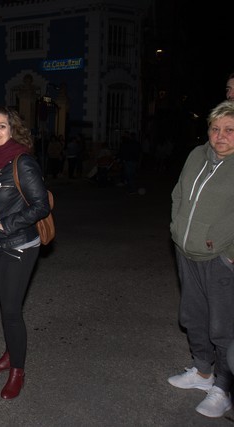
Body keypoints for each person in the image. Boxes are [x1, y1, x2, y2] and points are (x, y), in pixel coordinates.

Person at [167, 100, 234, 419]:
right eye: (215, 128)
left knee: (222, 326)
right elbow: (178, 193)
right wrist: (176, 228)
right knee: (192, 315)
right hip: (186, 251)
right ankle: (202, 371)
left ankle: (223, 388)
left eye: (230, 130)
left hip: (220, 259)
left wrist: (229, 255)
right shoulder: (196, 156)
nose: (220, 136)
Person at [0, 107, 50, 399]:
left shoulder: (23, 163)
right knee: (6, 304)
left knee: (11, 309)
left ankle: (17, 371)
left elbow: (41, 205)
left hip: (18, 244)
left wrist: (6, 224)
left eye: (2, 126)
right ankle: (10, 354)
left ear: (12, 129)